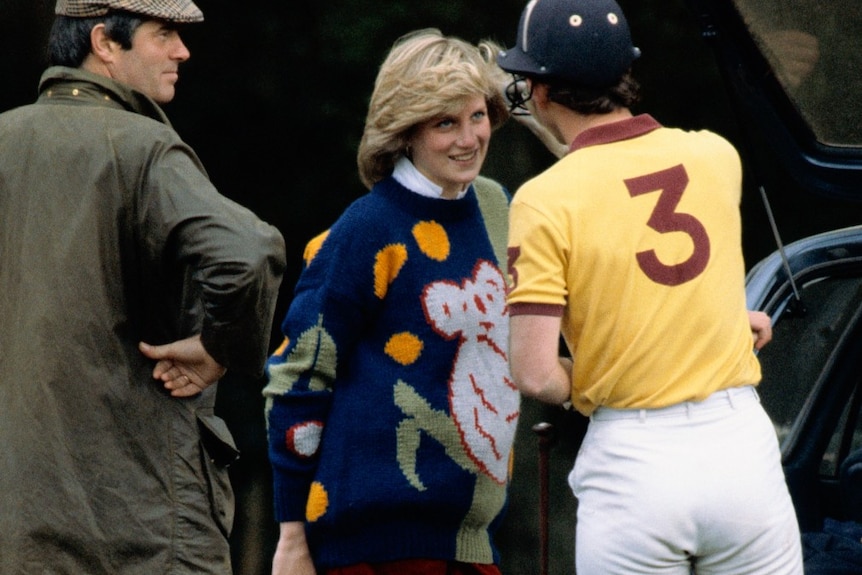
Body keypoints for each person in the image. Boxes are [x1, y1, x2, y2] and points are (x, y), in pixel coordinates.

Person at [496, 0, 804, 573]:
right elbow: (674, 279)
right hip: (738, 449)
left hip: (634, 465)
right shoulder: (715, 155)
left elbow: (535, 372)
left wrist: (618, 374)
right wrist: (724, 333)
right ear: (625, 75)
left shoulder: (545, 198)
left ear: (538, 90)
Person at [0, 1, 286, 573]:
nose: (182, 51)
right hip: (140, 519)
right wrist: (218, 349)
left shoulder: (5, 138)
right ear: (104, 43)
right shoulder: (142, 146)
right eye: (165, 34)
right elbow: (250, 253)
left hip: (17, 517)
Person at [262, 28, 520, 575]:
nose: (469, 137)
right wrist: (292, 536)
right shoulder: (367, 228)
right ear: (404, 132)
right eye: (445, 122)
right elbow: (298, 376)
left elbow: (563, 312)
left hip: (470, 542)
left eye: (477, 115)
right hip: (369, 549)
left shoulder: (499, 208)